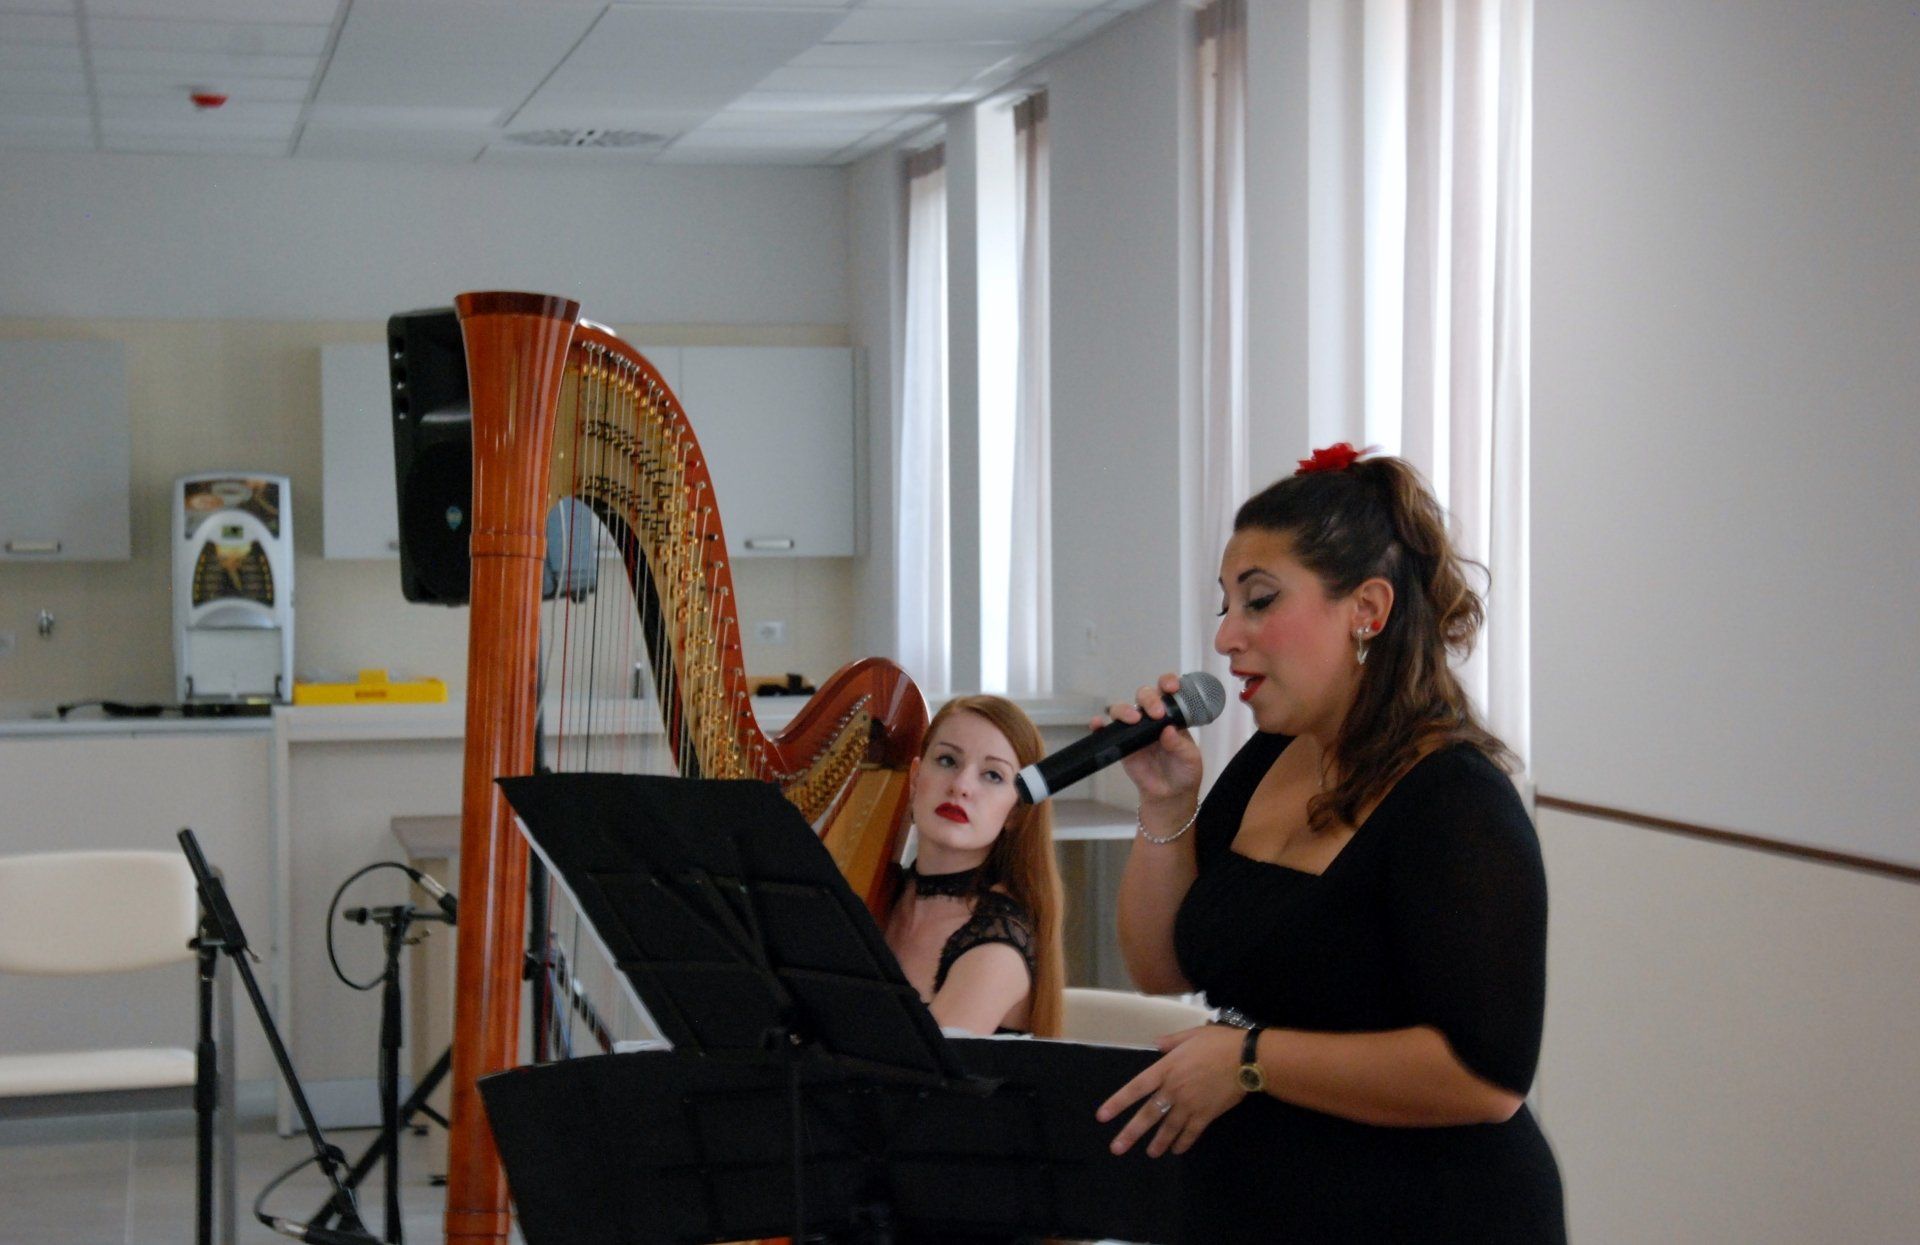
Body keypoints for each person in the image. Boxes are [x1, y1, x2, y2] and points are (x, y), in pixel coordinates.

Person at [1093, 444, 1566, 1241]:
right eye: (1224, 605)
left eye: (1259, 601)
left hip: (1430, 1213)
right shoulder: (1272, 756)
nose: (1226, 637)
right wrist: (1166, 803)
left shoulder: (1457, 801)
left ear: (1367, 609)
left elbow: (1485, 1078)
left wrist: (1250, 1060)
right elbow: (1162, 965)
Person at [883, 695, 1066, 1037]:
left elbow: (914, 1069)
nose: (961, 786)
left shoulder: (997, 945)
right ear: (915, 777)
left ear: (1015, 812)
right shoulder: (883, 894)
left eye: (993, 775)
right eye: (948, 760)